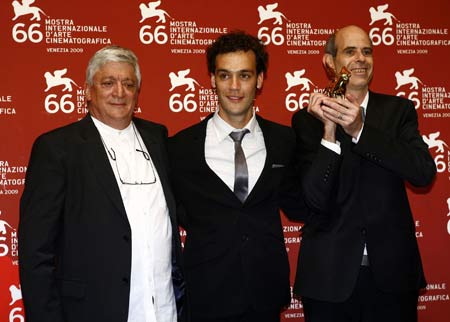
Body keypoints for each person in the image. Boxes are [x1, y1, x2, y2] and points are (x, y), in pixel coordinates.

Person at [19, 45, 185, 322]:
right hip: (92, 311)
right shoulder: (58, 148)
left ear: (137, 91)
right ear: (87, 90)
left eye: (128, 84)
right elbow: (36, 251)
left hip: (164, 310)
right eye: (108, 83)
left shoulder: (158, 139)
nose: (119, 92)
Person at [291, 25, 436, 322]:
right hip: (328, 278)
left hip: (393, 277)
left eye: (367, 51)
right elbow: (314, 199)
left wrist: (360, 131)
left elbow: (422, 173)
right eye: (350, 51)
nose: (360, 58)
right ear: (330, 62)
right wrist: (329, 133)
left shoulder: (399, 111)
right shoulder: (308, 121)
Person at [169, 31, 305, 322]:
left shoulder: (284, 140)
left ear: (259, 80)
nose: (234, 86)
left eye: (244, 75)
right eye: (224, 75)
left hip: (265, 292)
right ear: (212, 79)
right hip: (206, 293)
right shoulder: (180, 147)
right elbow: (175, 211)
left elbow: (299, 203)